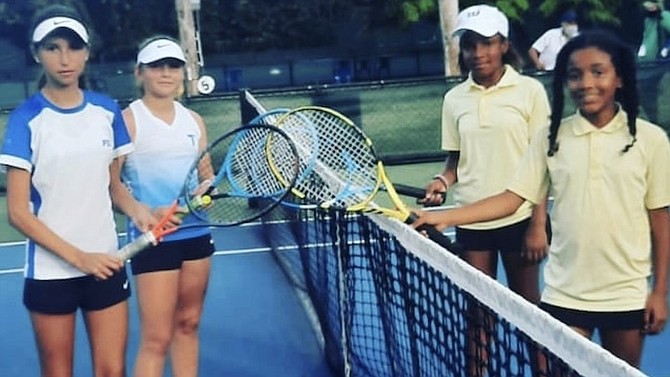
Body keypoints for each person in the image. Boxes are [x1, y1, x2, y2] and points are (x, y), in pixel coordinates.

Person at [414, 29, 670, 369]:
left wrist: (658, 292)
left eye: (598, 72)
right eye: (575, 75)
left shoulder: (652, 141)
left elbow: (660, 222)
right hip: (563, 294)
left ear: (619, 77)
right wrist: (442, 217)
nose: (586, 83)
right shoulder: (550, 139)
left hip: (626, 295)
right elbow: (510, 198)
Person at [0, 4, 153, 377]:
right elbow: (18, 212)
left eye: (73, 47)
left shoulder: (106, 111)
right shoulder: (25, 120)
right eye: (52, 48)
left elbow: (113, 187)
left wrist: (140, 212)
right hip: (52, 272)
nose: (64, 58)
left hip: (107, 264)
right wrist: (80, 258)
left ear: (87, 51)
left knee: (112, 372)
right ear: (37, 54)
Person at [421, 4, 551, 375]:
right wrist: (442, 181)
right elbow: (456, 162)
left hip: (521, 219)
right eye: (470, 45)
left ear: (504, 45)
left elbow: (540, 165)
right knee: (479, 314)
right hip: (472, 221)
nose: (478, 53)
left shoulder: (530, 92)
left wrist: (538, 224)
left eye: (487, 44)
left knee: (531, 313)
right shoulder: (454, 99)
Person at [119, 36, 215, 377]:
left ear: (182, 73)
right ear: (139, 73)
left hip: (197, 234)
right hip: (154, 241)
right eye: (156, 66)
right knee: (157, 339)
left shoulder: (194, 121)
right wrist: (143, 212)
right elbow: (109, 185)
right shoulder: (127, 121)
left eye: (173, 66)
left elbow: (207, 176)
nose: (165, 73)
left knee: (188, 324)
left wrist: (208, 189)